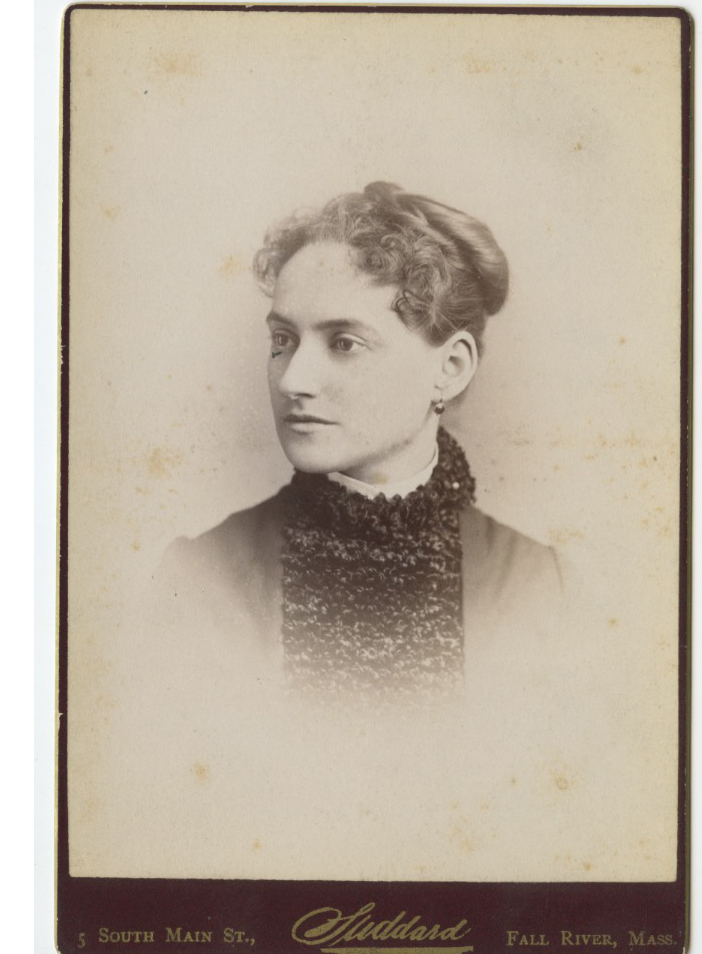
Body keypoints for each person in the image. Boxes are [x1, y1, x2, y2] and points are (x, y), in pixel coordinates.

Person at [158, 182, 564, 709]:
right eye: (283, 340)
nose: (292, 380)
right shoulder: (199, 581)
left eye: (344, 343)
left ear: (450, 367)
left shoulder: (542, 588)